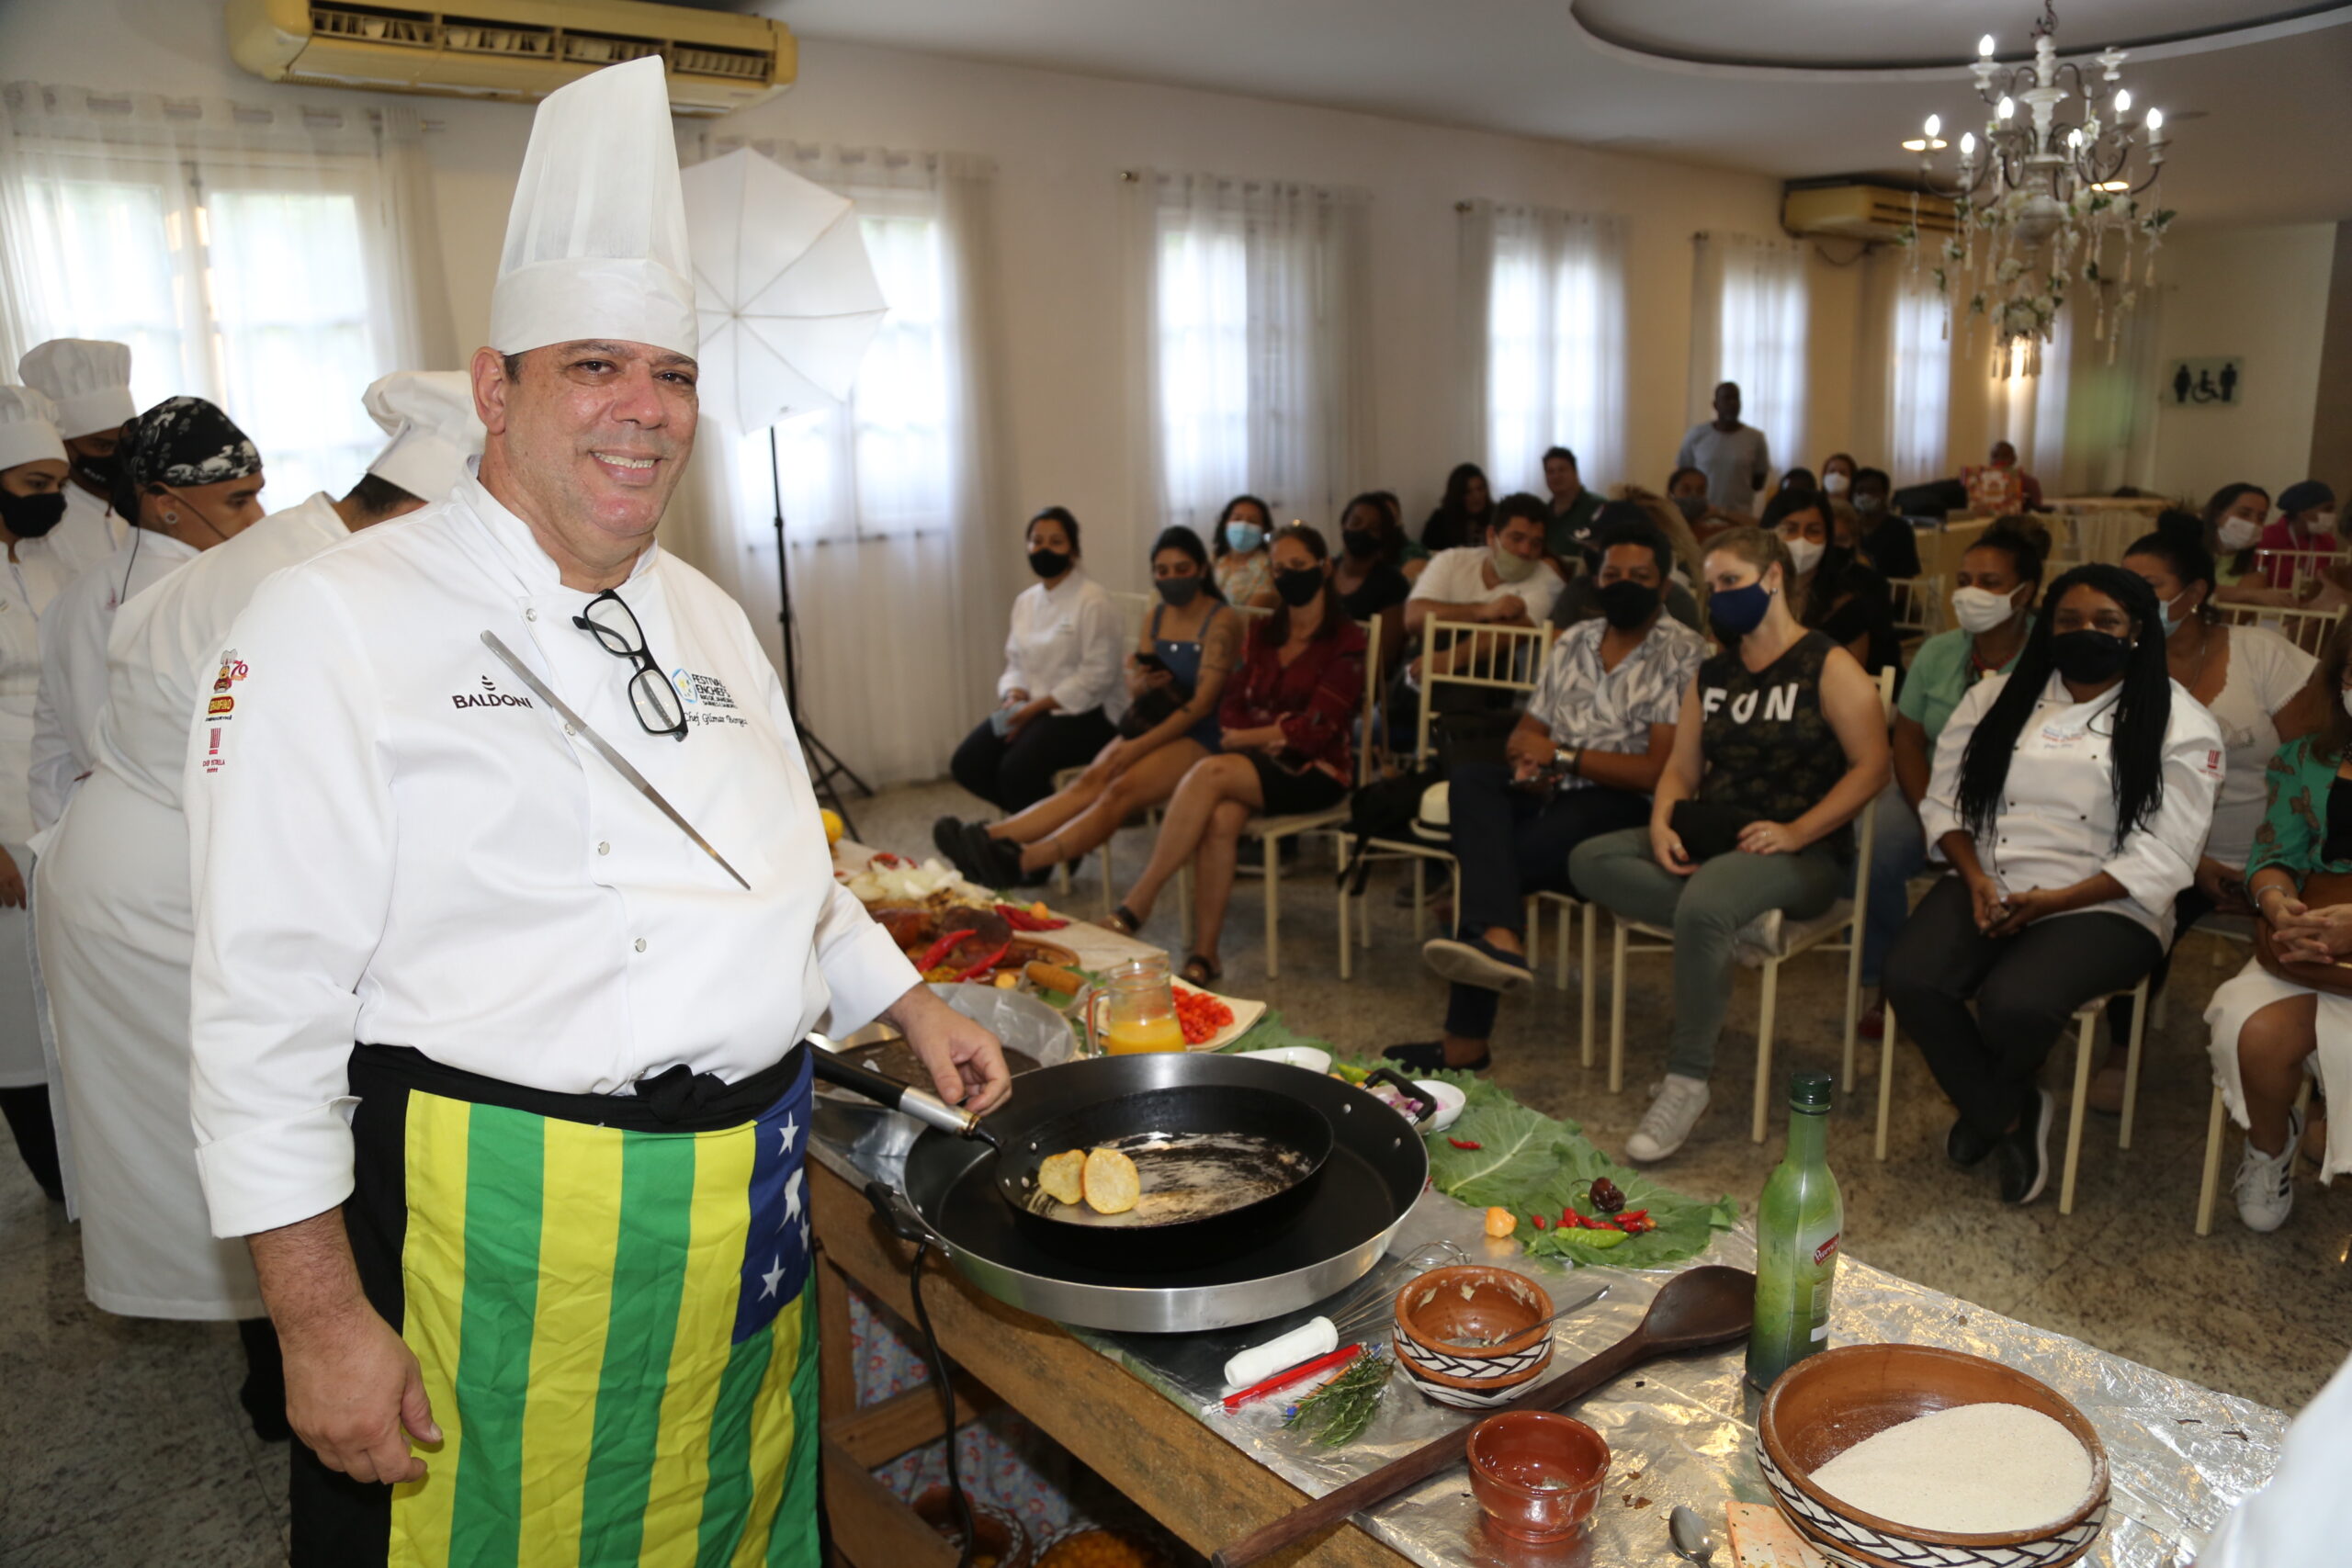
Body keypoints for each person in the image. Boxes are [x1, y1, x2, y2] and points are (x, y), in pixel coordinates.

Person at [182, 60, 1008, 1564]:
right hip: (502, 1228)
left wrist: (904, 999)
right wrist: (315, 1318)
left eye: (673, 373)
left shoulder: (704, 612)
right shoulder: (332, 623)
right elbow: (259, 1011)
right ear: (495, 386)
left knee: (724, 1519)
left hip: (737, 1206)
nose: (646, 412)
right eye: (595, 367)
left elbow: (783, 875)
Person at [38, 373, 478, 1446]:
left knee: (218, 1128)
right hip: (165, 880)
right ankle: (313, 1361)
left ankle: (292, 1355)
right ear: (422, 505)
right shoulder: (311, 581)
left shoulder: (286, 543)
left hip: (141, 853)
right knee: (242, 1119)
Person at [1883, 565, 2222, 1206]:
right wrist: (1977, 878)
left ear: (2139, 633)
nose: (2085, 632)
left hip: (2113, 898)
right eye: (2069, 620)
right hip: (1993, 874)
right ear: (2048, 628)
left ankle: (1987, 1104)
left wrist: (2057, 901)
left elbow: (2170, 851)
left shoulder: (2181, 720)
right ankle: (2007, 1112)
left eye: (2106, 622)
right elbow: (1945, 803)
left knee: (2016, 999)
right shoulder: (1994, 699)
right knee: (1911, 974)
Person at [1569, 526, 1890, 1163]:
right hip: (1717, 835)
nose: (1719, 597)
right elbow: (1682, 770)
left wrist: (1798, 830)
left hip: (1804, 852)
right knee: (1589, 858)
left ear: (1774, 577)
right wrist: (1662, 820)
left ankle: (1687, 1081)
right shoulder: (1712, 673)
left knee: (1706, 901)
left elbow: (1873, 766)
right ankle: (1728, 918)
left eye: (1732, 582)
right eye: (1712, 586)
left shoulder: (1826, 664)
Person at [1383, 518, 1706, 1074]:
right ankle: (1500, 937)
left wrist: (1562, 756)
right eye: (1612, 574)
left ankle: (1469, 1029)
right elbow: (1525, 730)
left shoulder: (1684, 651)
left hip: (1621, 807)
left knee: (1493, 858)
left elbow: (1657, 770)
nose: (1622, 583)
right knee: (1472, 781)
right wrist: (1530, 761)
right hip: (1553, 790)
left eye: (1639, 575)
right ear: (1595, 580)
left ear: (1663, 585)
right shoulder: (1577, 639)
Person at [1102, 524, 1364, 983]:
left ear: (1324, 568)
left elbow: (1316, 731)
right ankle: (1206, 955)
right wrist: (1267, 733)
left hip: (1316, 772)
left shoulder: (1347, 641)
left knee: (1210, 773)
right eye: (1279, 568)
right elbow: (1232, 705)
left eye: (1298, 567)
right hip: (1255, 764)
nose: (1287, 576)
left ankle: (1138, 902)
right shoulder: (1263, 632)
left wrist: (1252, 737)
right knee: (1222, 818)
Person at [2111, 515, 2323, 1082]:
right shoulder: (2119, 666)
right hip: (2178, 855)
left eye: (2149, 586)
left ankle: (2320, 1079)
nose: (2132, 598)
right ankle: (2119, 1048)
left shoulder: (2260, 654)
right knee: (2129, 913)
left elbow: (2310, 769)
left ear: (2196, 592)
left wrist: (2269, 868)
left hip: (2280, 852)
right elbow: (2118, 787)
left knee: (2314, 933)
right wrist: (2193, 863)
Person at [936, 525, 1239, 887]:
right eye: (1163, 571)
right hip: (1154, 720)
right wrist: (1142, 684)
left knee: (1117, 790)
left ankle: (1022, 859)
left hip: (1202, 732)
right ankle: (990, 838)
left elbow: (1204, 703)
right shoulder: (1155, 617)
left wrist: (1137, 746)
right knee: (1090, 780)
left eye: (1182, 569)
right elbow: (1136, 685)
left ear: (1202, 570)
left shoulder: (1222, 620)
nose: (1171, 578)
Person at [29, 397, 268, 837]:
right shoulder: (213, 594)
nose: (259, 518)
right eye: (239, 501)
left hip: (96, 845)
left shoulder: (69, 601)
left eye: (257, 496)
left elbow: (50, 762)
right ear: (164, 503)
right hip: (193, 842)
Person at [1860, 524, 2047, 1040]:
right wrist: (1928, 813)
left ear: (2024, 592)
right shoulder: (1939, 653)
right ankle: (1885, 969)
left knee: (1999, 861)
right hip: (1931, 789)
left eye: (1989, 582)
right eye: (1964, 579)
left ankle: (1976, 974)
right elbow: (1907, 742)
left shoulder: (2051, 655)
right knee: (1876, 847)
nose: (1971, 593)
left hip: (2017, 801)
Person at [2202, 616, 2352, 1233]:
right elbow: (2275, 852)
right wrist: (2276, 902)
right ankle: (2270, 1146)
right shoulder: (2304, 759)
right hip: (2314, 944)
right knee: (2251, 1031)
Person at [0, 385, 74, 1203]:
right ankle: (50, 1178)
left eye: (56, 484)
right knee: (15, 1015)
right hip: (2, 823)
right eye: (33, 486)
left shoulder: (53, 562)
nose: (52, 501)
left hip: (57, 804)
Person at [949, 506, 1127, 815]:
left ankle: (1036, 852)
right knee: (967, 763)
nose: (1044, 549)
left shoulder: (1093, 601)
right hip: (1029, 708)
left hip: (1088, 715)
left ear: (1073, 550)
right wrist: (1013, 695)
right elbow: (1014, 662)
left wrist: (1032, 710)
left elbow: (1097, 677)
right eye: (1036, 541)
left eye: (1056, 541)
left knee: (1015, 770)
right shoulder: (1026, 601)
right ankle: (1049, 827)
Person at [17, 338, 135, 576]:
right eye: (102, 446)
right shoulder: (41, 520)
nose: (117, 456)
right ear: (62, 445)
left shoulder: (143, 502)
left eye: (125, 444)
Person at [1770, 486, 1902, 686]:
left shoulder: (1848, 607)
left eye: (1813, 531)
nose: (1801, 541)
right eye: (1790, 529)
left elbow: (1848, 685)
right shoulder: (1749, 592)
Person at [1550, 498, 1703, 632]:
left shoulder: (1675, 601)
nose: (1592, 554)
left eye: (1602, 546)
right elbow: (1557, 649)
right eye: (1589, 546)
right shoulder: (1579, 591)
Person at [1329, 490, 1411, 660]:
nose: (1362, 530)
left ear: (1383, 536)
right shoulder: (1323, 571)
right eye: (1356, 522)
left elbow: (1382, 659)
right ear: (1344, 524)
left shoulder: (1393, 584)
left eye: (1373, 528)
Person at [1675, 381, 1770, 514]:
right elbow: (1683, 475)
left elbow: (1758, 482)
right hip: (1701, 515)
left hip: (1739, 516)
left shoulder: (1755, 438)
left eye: (1736, 398)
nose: (1732, 404)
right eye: (1727, 399)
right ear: (1715, 405)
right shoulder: (1696, 435)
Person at [2254, 480, 2337, 592]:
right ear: (2302, 511)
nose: (2332, 515)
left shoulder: (2327, 542)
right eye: (2327, 509)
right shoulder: (2267, 537)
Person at [1409, 461, 1496, 569]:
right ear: (1458, 495)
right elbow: (1428, 556)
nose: (1477, 496)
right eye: (1468, 492)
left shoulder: (1497, 516)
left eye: (1480, 489)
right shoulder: (1440, 520)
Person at [1847, 467, 1921, 578]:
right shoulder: (1847, 527)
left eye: (1872, 491)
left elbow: (1907, 578)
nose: (1866, 496)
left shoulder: (1900, 529)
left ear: (1884, 494)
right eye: (1860, 491)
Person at [1211, 492, 1280, 608]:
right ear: (1225, 524)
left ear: (1264, 529)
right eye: (1237, 519)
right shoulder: (1216, 561)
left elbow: (1250, 615)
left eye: (1252, 521)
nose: (1243, 525)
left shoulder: (1269, 567)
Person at [2204, 481, 2273, 596]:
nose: (2253, 523)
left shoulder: (2254, 578)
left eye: (2261, 518)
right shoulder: (2180, 555)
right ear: (2218, 515)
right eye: (2244, 514)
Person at [1541, 445, 1602, 561]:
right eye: (1550, 472)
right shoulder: (1543, 513)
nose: (1556, 476)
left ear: (1575, 473)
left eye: (1562, 470)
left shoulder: (1598, 507)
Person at [1962, 440, 2043, 515]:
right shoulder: (2028, 481)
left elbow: (2037, 512)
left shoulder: (2029, 482)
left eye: (2004, 456)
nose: (1999, 460)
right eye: (1996, 456)